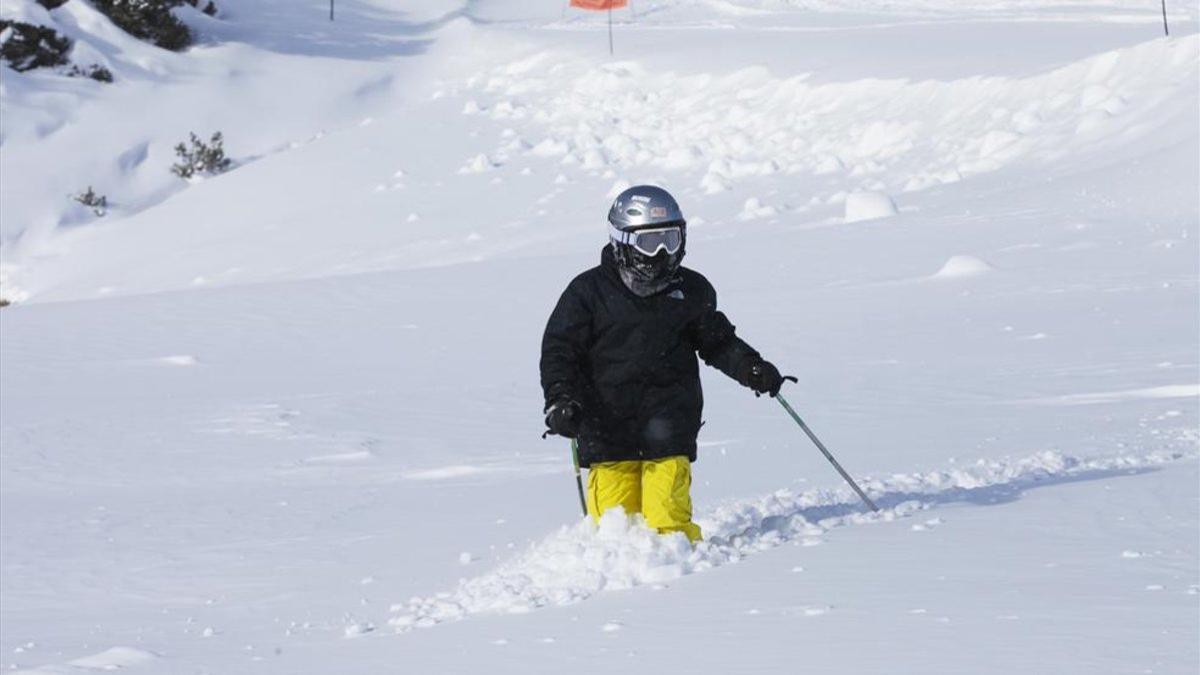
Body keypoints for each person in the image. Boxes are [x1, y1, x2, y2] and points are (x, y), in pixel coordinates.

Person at [540, 185, 791, 542]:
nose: (660, 253)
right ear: (622, 242)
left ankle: (679, 582)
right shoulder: (588, 293)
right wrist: (560, 401)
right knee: (615, 527)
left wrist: (751, 367)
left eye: (669, 240)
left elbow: (717, 342)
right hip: (605, 426)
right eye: (648, 242)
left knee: (667, 523)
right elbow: (559, 352)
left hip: (669, 424)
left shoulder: (690, 290)